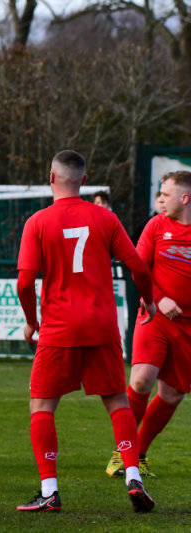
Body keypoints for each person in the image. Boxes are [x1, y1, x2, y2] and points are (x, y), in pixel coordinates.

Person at [16, 149, 157, 513]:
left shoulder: (37, 222)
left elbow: (24, 282)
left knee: (42, 406)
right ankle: (133, 477)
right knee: (118, 402)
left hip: (59, 327)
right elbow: (139, 268)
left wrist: (31, 321)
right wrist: (149, 300)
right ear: (84, 179)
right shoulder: (105, 218)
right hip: (101, 325)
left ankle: (50, 490)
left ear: (51, 178)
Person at [106, 170, 191, 478]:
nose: (161, 199)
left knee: (172, 395)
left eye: (166, 194)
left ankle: (138, 454)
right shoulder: (155, 225)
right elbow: (138, 268)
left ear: (185, 198)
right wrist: (158, 298)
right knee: (142, 380)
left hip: (187, 327)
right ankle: (124, 453)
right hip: (154, 315)